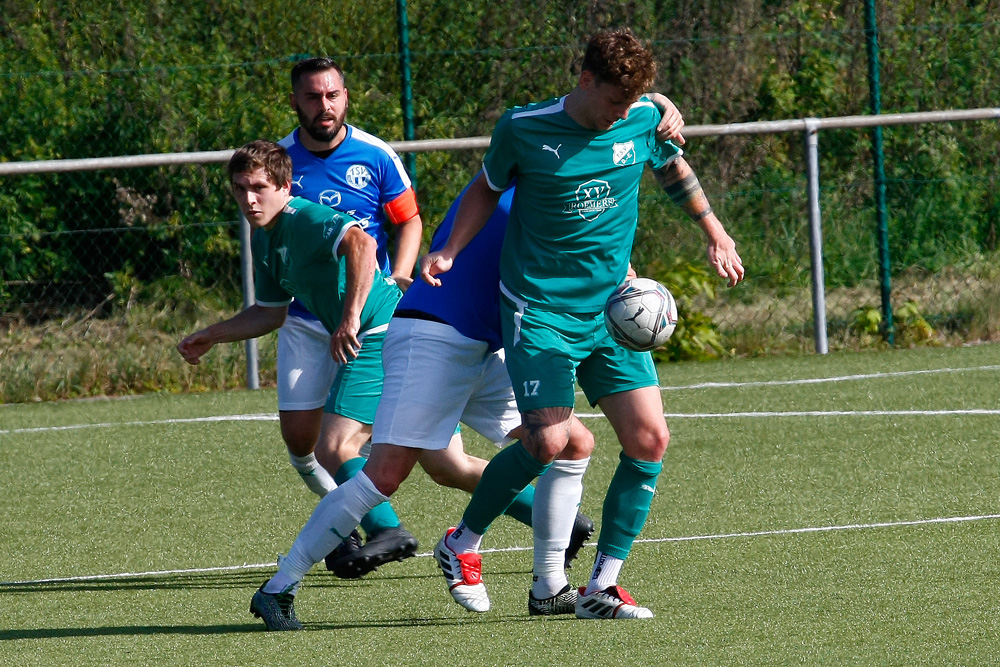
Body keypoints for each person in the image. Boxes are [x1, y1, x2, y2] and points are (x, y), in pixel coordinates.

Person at [421, 27, 745, 620]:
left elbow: (674, 171)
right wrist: (449, 251)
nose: (621, 113)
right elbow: (485, 190)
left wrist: (715, 233)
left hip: (611, 308)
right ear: (585, 79)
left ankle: (602, 583)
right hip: (539, 309)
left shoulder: (644, 116)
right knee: (546, 440)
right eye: (615, 100)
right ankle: (462, 542)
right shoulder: (525, 127)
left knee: (650, 438)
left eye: (633, 102)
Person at [271, 57, 423, 576]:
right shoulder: (280, 163)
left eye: (332, 95)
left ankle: (362, 525)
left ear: (346, 97)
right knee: (301, 442)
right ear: (295, 102)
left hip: (364, 319)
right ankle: (348, 519)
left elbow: (409, 219)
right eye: (313, 97)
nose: (324, 106)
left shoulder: (375, 154)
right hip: (306, 318)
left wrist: (401, 275)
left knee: (439, 456)